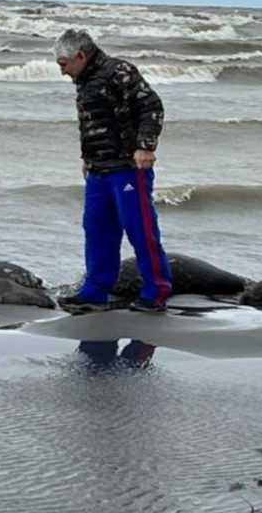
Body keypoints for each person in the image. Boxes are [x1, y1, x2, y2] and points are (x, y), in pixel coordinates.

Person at [54, 29, 173, 314]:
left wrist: (146, 147)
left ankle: (156, 291)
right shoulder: (83, 80)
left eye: (64, 64)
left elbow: (151, 105)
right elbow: (94, 124)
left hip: (128, 167)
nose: (62, 71)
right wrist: (88, 158)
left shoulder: (118, 71)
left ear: (81, 55)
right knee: (96, 231)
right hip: (98, 169)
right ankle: (95, 290)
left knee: (140, 230)